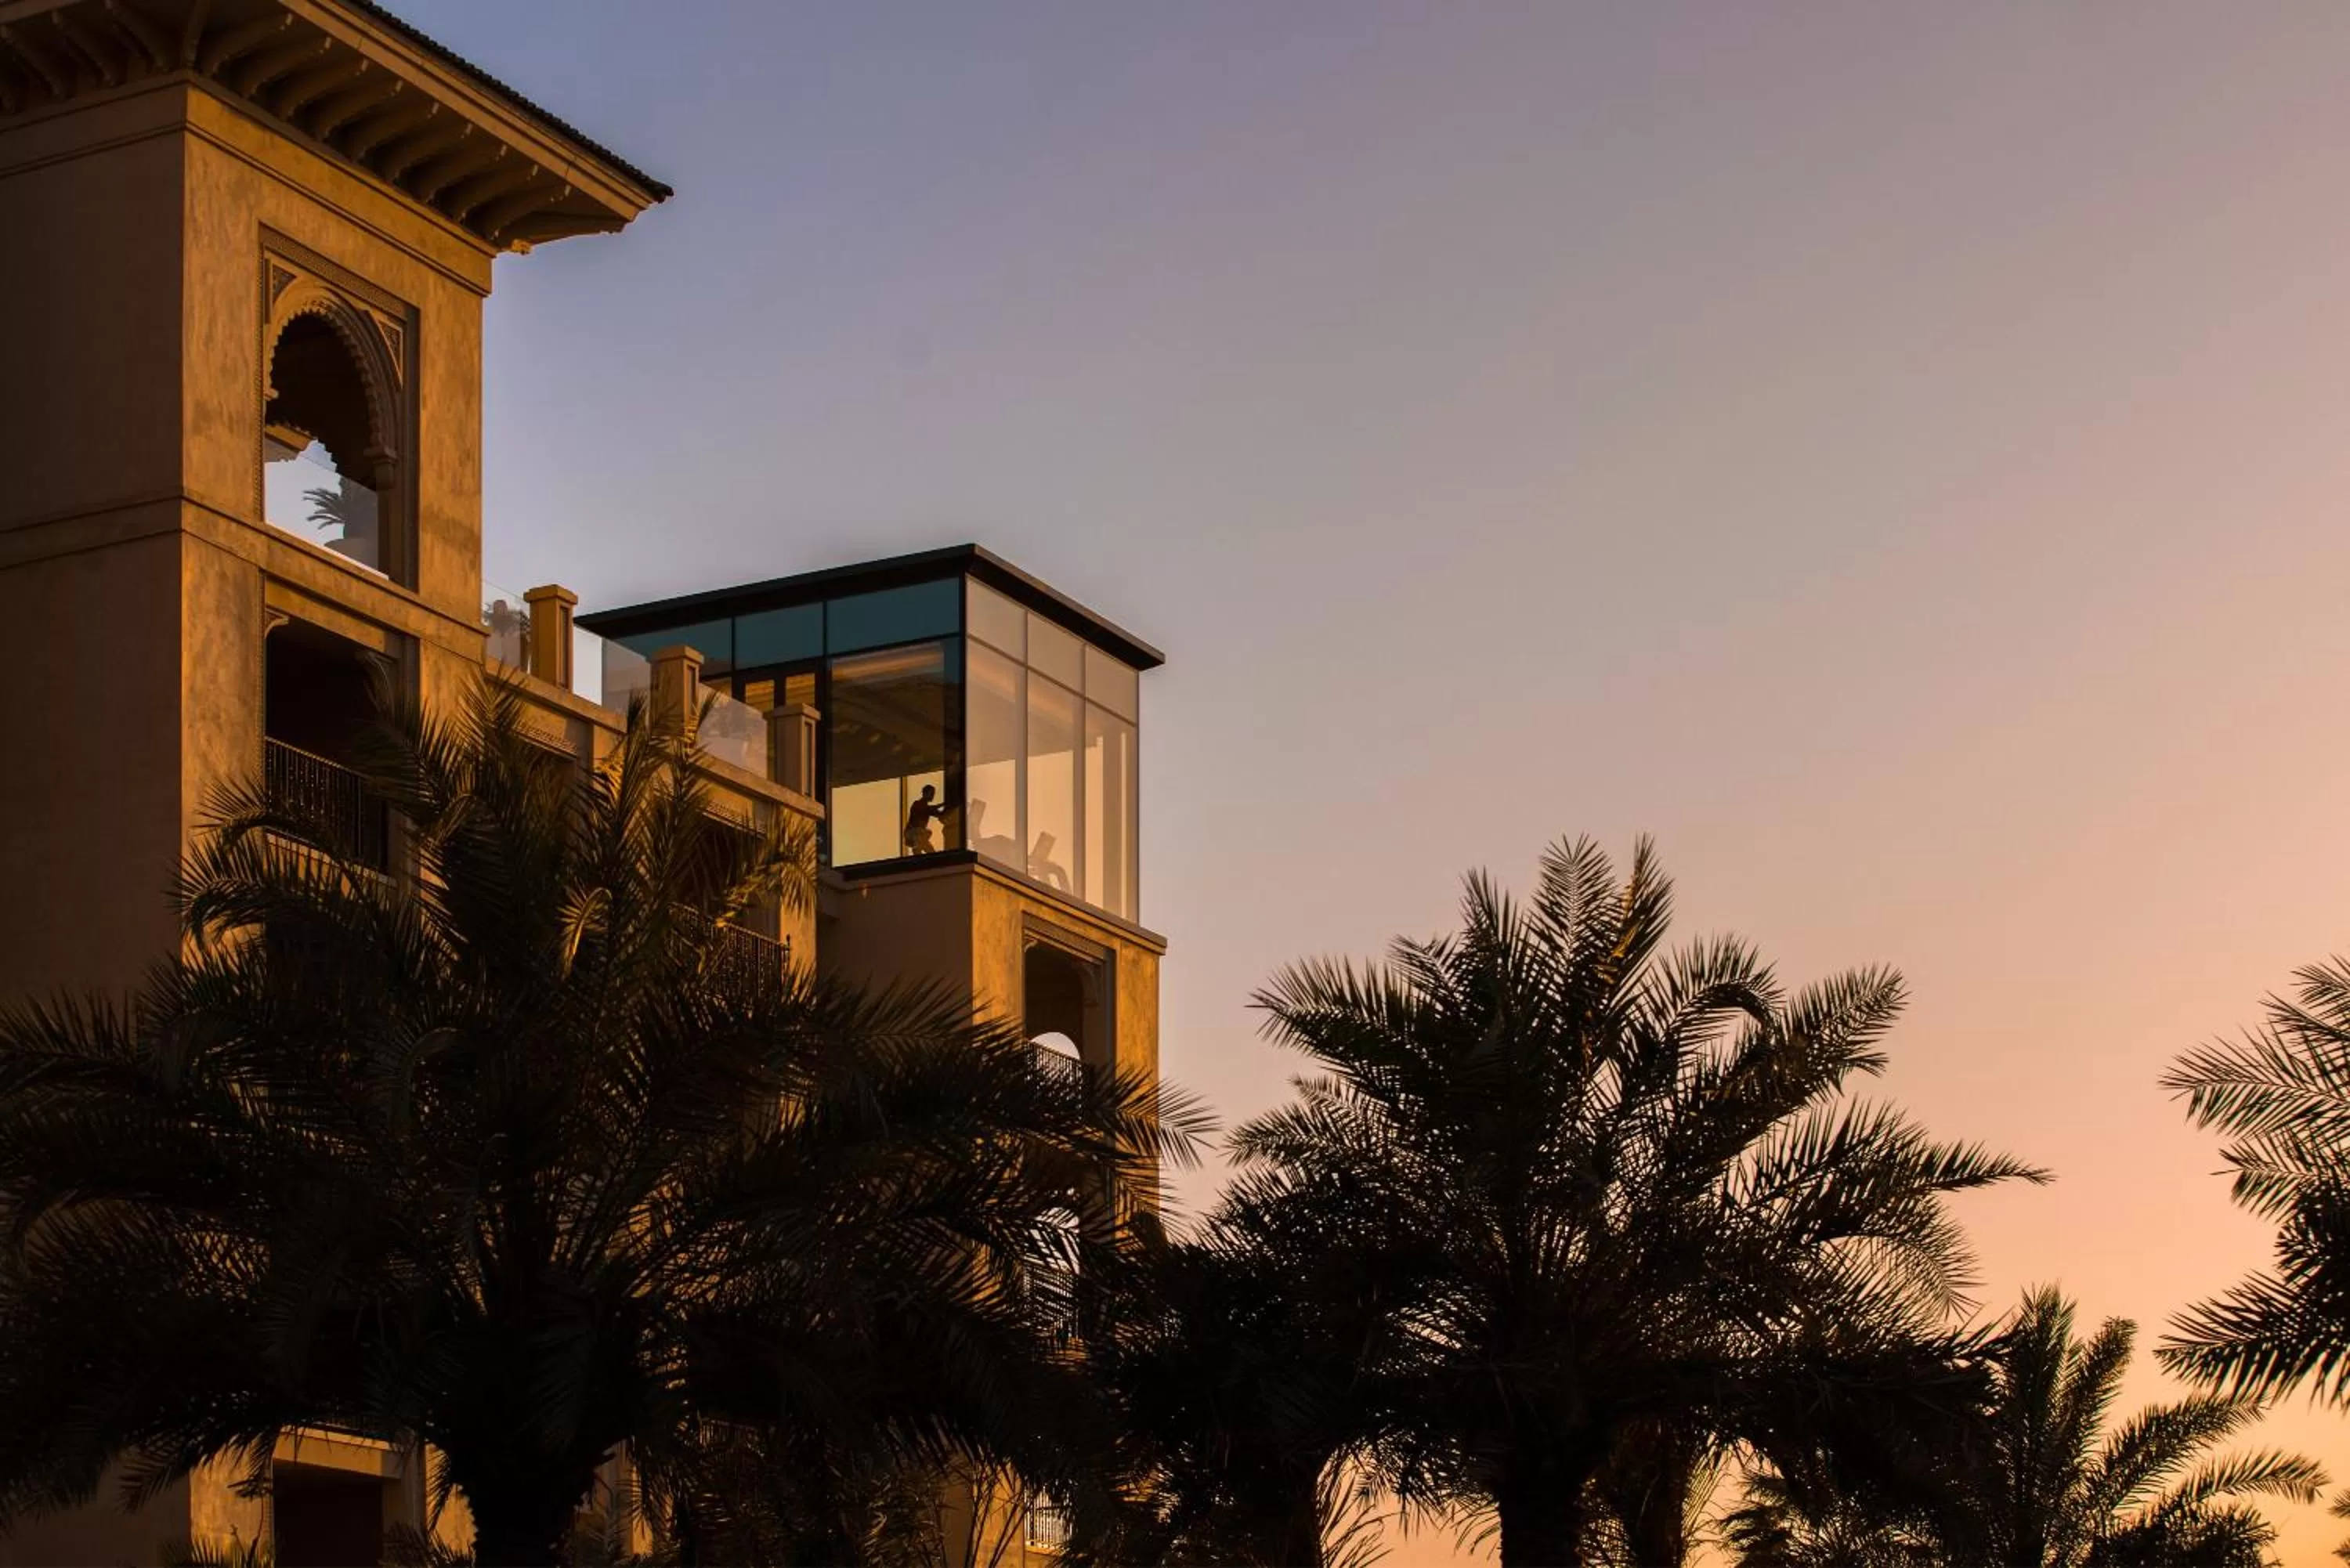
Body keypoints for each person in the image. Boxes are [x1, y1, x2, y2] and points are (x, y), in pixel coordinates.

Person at [902, 784, 947, 854]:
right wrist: (942, 805)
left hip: (918, 834)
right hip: (913, 832)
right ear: (926, 793)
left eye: (933, 793)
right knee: (921, 842)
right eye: (932, 793)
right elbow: (928, 809)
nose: (933, 796)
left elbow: (937, 813)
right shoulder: (917, 804)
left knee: (927, 847)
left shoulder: (925, 807)